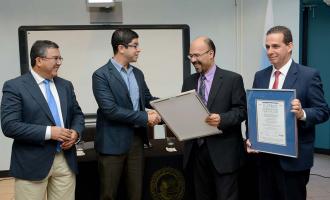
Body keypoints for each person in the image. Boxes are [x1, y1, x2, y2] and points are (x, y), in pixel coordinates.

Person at [246, 25, 330, 200]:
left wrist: (302, 114)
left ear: (290, 46)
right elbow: (253, 112)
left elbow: (323, 111)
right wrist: (250, 137)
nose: (270, 51)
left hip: (294, 160)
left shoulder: (308, 75)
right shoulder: (260, 75)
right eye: (267, 47)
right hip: (265, 158)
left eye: (275, 46)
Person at [1, 40, 85, 200]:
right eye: (55, 58)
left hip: (65, 161)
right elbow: (9, 126)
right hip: (32, 163)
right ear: (39, 60)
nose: (59, 63)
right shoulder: (15, 86)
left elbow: (77, 115)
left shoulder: (65, 85)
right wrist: (49, 132)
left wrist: (75, 133)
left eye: (60, 58)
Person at [92, 28, 161, 200]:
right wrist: (146, 117)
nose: (139, 49)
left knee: (135, 193)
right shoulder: (101, 75)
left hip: (136, 141)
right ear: (121, 48)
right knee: (109, 194)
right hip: (111, 143)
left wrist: (168, 106)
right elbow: (110, 110)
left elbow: (147, 100)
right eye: (135, 45)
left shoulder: (137, 73)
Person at [181, 36, 247, 200]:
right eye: (191, 56)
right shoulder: (189, 81)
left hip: (224, 154)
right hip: (196, 153)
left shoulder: (232, 79)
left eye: (197, 55)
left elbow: (242, 111)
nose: (193, 60)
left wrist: (222, 119)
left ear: (211, 54)